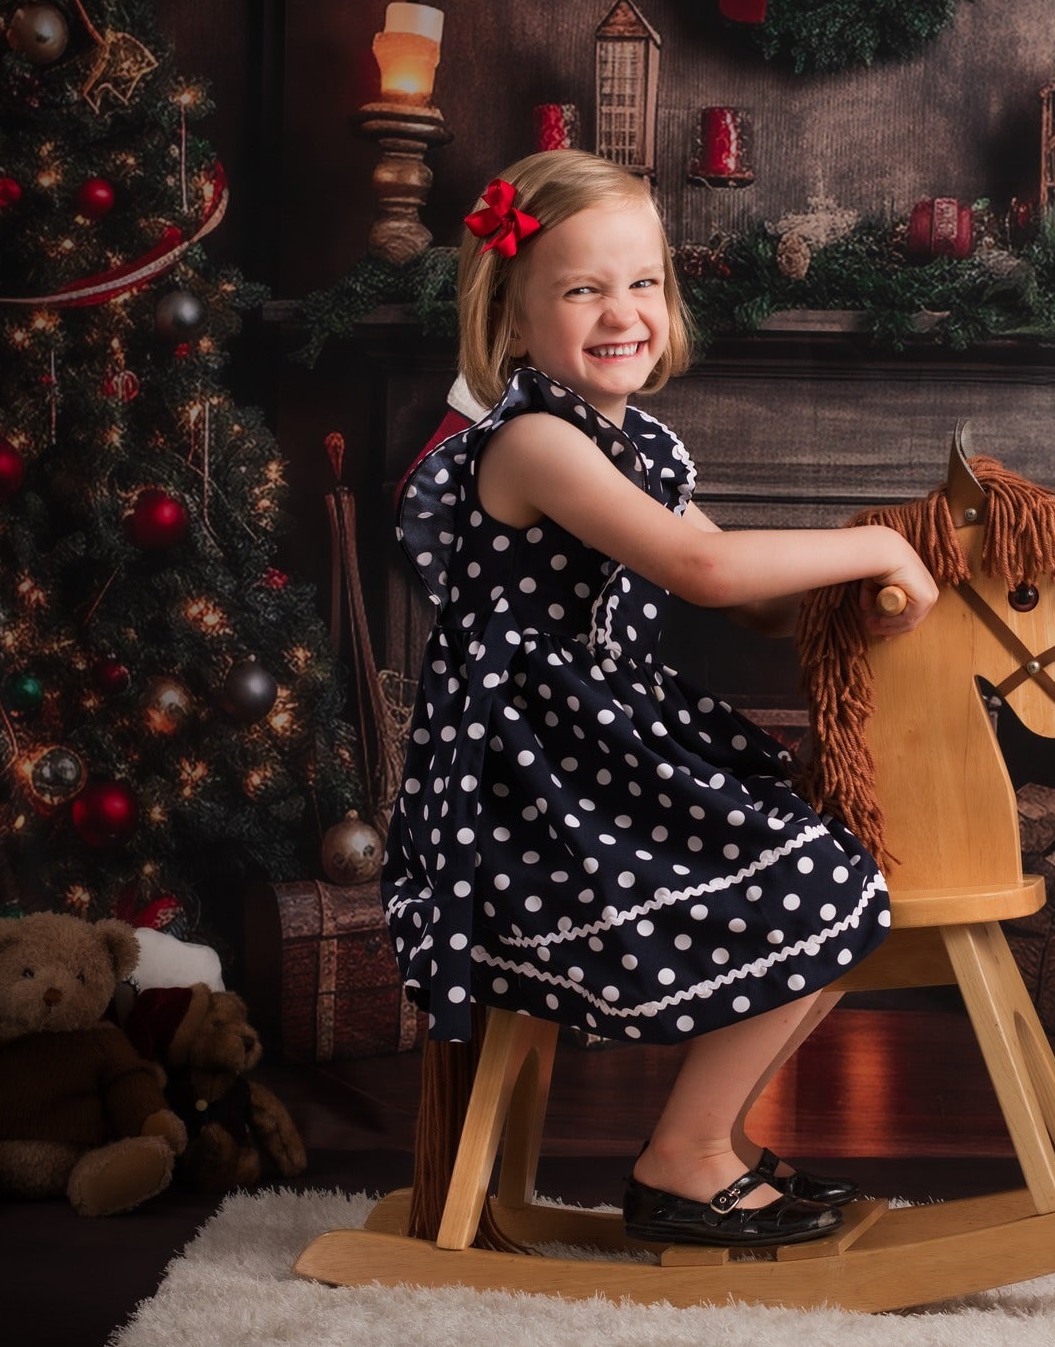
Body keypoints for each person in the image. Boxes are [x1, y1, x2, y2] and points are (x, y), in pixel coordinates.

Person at [381, 148, 939, 1248]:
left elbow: (740, 596)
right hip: (534, 793)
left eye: (641, 283)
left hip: (601, 752)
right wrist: (873, 536)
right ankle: (681, 1158)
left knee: (840, 874)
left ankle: (707, 1141)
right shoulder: (537, 443)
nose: (620, 313)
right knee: (827, 886)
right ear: (510, 316)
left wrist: (837, 596)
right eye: (581, 289)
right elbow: (706, 575)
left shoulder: (633, 444)